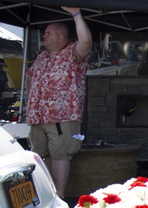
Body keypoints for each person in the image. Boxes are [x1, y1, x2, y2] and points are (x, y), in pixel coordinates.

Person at [26, 6, 92, 197]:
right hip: (37, 117)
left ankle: (59, 197)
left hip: (62, 116)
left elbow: (86, 40)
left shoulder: (72, 54)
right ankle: (46, 195)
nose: (44, 36)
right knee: (40, 156)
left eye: (48, 33)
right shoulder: (41, 57)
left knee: (60, 156)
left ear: (61, 37)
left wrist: (76, 15)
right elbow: (31, 78)